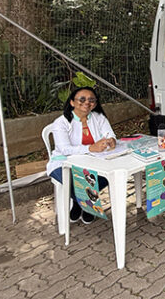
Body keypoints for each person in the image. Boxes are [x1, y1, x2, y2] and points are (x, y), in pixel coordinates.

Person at [47, 86, 116, 224]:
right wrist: (91, 147)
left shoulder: (99, 118)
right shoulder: (61, 122)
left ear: (95, 104)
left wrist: (111, 141)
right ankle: (85, 205)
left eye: (91, 100)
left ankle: (79, 204)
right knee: (72, 181)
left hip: (93, 161)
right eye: (82, 99)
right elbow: (64, 149)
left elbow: (110, 134)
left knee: (109, 175)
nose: (87, 103)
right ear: (72, 102)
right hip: (63, 162)